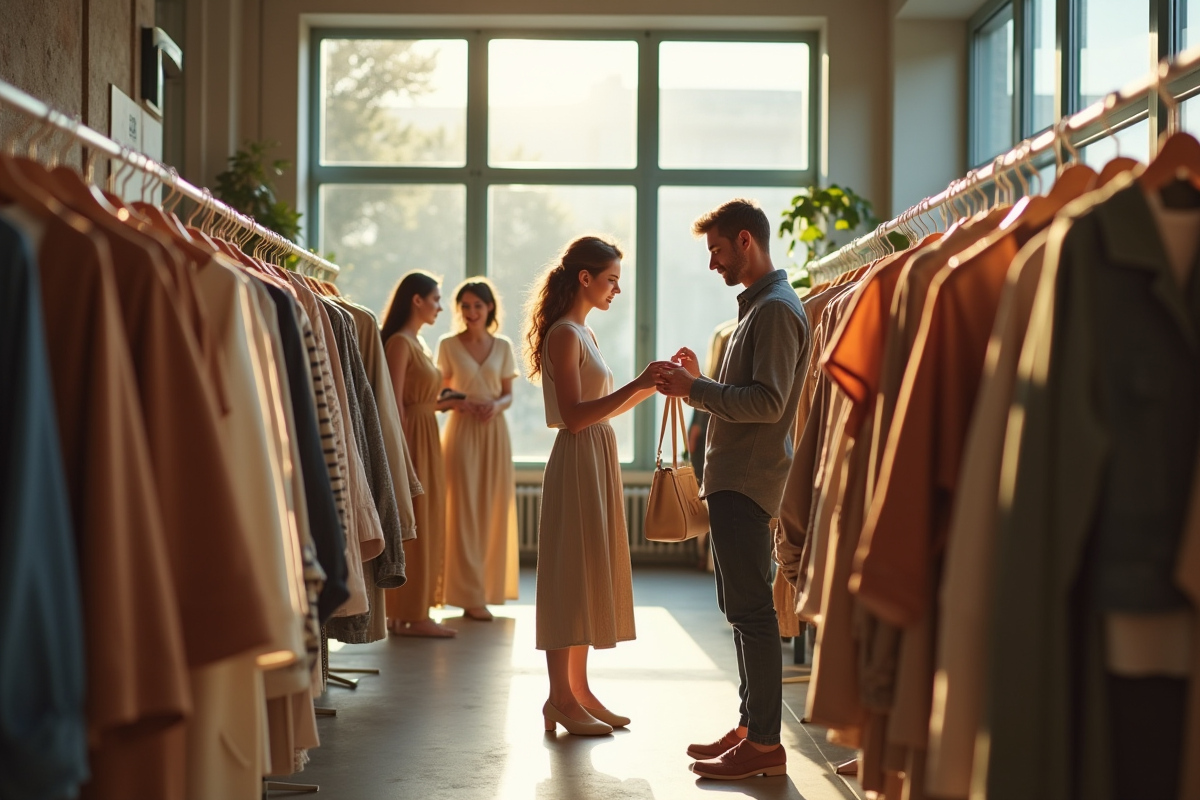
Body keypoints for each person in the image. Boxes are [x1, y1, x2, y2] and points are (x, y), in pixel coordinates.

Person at [655, 199, 811, 780]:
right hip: (738, 479)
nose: (713, 263)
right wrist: (706, 380)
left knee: (752, 611)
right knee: (742, 608)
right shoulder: (760, 309)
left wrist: (696, 388)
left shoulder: (773, 310)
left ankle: (766, 744)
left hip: (748, 481)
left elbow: (769, 404)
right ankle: (752, 727)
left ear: (746, 241)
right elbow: (753, 392)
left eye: (717, 250)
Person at [524, 235, 669, 736]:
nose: (617, 291)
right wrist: (636, 384)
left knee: (584, 574)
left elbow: (602, 407)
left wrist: (650, 384)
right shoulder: (565, 334)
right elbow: (572, 416)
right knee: (569, 577)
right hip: (578, 459)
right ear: (584, 278)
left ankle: (578, 693)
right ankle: (559, 698)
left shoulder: (583, 333)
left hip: (595, 456)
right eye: (611, 280)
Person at [381, 271, 464, 638]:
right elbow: (394, 403)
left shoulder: (418, 342)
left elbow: (416, 401)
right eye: (435, 299)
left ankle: (408, 612)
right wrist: (403, 454)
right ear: (417, 300)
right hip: (413, 439)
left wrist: (441, 405)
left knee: (424, 521)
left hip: (425, 432)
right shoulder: (400, 342)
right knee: (417, 522)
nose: (441, 307)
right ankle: (413, 614)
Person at [438, 278, 520, 622]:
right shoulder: (447, 345)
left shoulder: (502, 346)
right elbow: (441, 394)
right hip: (461, 430)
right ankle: (466, 595)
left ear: (489, 309)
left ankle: (486, 590)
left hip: (494, 433)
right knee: (462, 510)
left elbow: (507, 394)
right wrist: (463, 405)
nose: (471, 312)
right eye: (465, 306)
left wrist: (495, 407)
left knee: (492, 508)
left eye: (478, 306)